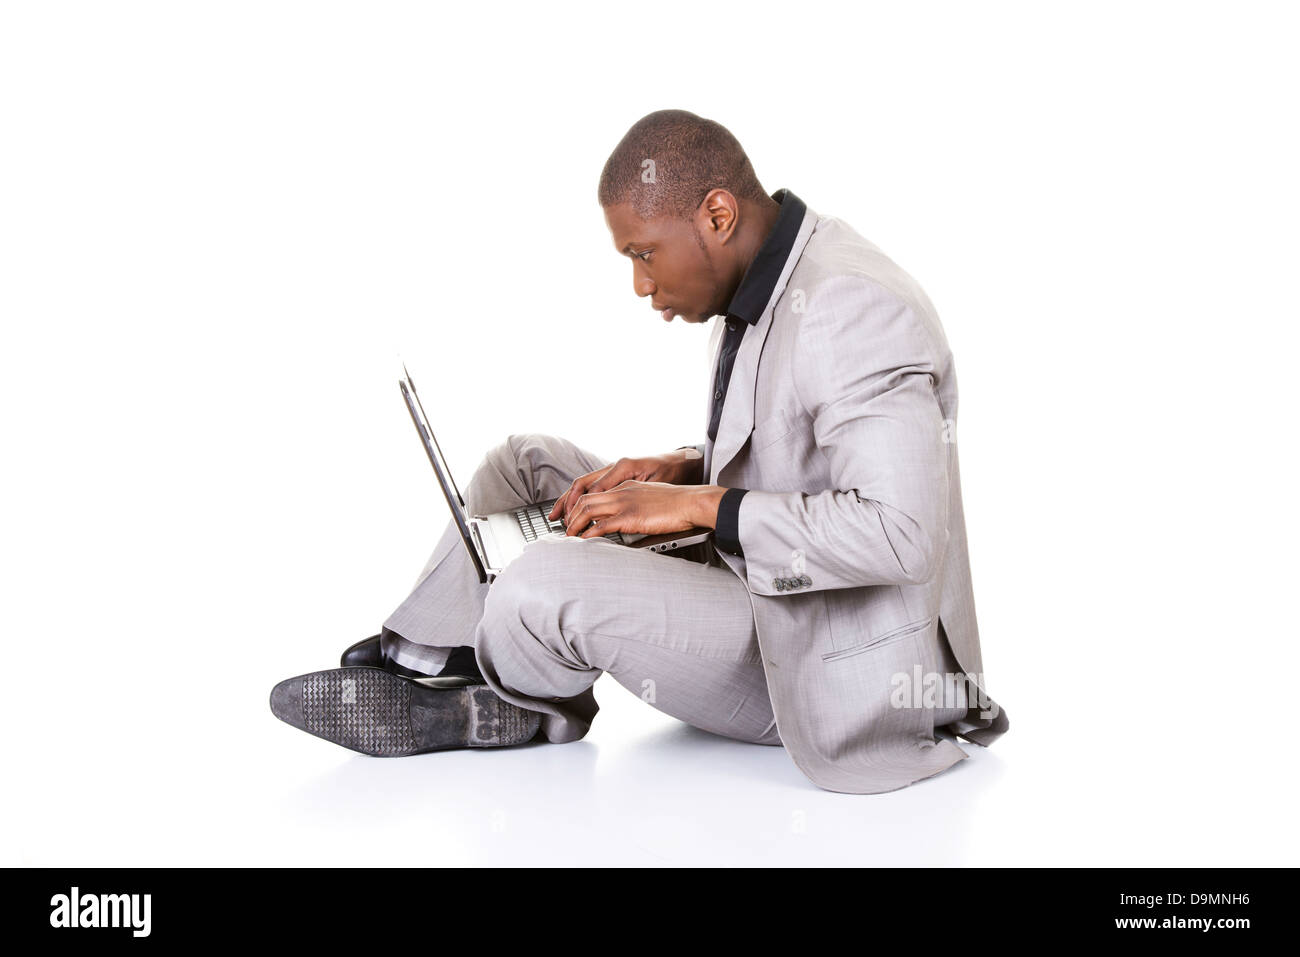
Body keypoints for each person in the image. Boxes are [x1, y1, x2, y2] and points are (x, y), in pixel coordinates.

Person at [269, 109, 1009, 794]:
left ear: (716, 215)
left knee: (543, 578)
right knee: (525, 461)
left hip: (816, 657)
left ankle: (518, 704)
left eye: (644, 252)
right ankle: (428, 655)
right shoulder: (765, 272)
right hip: (755, 577)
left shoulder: (851, 304)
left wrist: (697, 503)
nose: (638, 282)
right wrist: (686, 465)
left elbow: (900, 532)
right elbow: (803, 435)